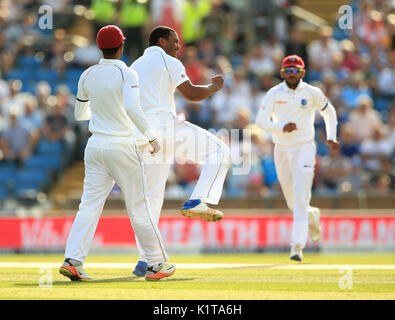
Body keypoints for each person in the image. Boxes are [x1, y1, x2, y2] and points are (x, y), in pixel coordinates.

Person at [59, 25, 174, 282]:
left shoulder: (87, 75)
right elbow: (133, 109)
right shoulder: (127, 73)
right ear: (121, 47)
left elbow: (80, 115)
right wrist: (152, 137)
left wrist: (102, 113)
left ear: (100, 47)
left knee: (88, 206)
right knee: (140, 207)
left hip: (95, 145)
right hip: (121, 144)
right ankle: (156, 264)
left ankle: (73, 260)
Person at [130, 26, 230, 276]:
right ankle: (198, 199)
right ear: (162, 41)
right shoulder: (168, 61)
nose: (178, 46)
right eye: (175, 41)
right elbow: (192, 94)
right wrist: (213, 87)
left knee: (151, 201)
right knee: (220, 152)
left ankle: (147, 261)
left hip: (144, 136)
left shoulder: (135, 66)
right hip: (166, 127)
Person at [255, 55, 339, 261]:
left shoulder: (312, 92)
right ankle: (312, 215)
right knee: (292, 202)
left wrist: (331, 136)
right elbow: (260, 121)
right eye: (288, 71)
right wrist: (280, 127)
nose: (292, 74)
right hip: (281, 149)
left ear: (302, 72)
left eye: (295, 71)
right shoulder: (274, 93)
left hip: (304, 148)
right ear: (283, 73)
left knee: (301, 196)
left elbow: (330, 112)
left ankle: (296, 247)